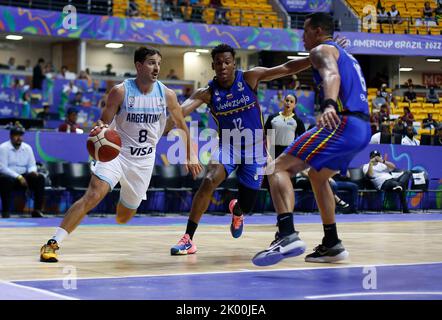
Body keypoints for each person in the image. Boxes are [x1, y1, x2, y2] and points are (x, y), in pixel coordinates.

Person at [40, 46, 202, 263]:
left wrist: (190, 154)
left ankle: (123, 194)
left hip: (144, 161)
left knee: (124, 216)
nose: (157, 68)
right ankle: (52, 243)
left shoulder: (167, 95)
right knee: (93, 195)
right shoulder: (120, 92)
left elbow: (181, 124)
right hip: (117, 154)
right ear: (138, 66)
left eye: (159, 64)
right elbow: (103, 123)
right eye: (152, 63)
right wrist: (99, 128)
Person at [166, 43, 314, 256]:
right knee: (209, 180)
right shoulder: (207, 93)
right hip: (227, 145)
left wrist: (314, 57)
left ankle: (237, 211)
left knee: (247, 204)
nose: (223, 66)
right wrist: (157, 129)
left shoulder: (250, 78)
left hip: (255, 150)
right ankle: (188, 238)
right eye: (218, 63)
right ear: (213, 66)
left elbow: (287, 68)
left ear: (234, 63)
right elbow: (178, 114)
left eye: (227, 62)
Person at [252, 12, 371, 266]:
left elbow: (332, 75)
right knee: (317, 176)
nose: (302, 36)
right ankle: (332, 243)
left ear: (318, 31)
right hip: (362, 128)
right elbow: (295, 67)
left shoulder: (322, 50)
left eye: (305, 31)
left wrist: (328, 105)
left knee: (277, 167)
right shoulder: (339, 51)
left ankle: (286, 234)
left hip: (342, 122)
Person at [0, 123, 45, 218]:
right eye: (16, 135)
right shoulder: (3, 148)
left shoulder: (27, 148)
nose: (19, 138)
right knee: (4, 180)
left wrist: (32, 171)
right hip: (10, 177)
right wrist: (18, 177)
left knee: (40, 178)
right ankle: (6, 212)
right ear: (11, 136)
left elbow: (32, 165)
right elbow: (2, 168)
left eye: (20, 135)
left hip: (25, 176)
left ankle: (37, 210)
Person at [264, 94, 306, 158]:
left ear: (295, 105)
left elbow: (303, 139)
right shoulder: (272, 117)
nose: (288, 103)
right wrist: (268, 153)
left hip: (289, 152)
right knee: (272, 168)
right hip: (273, 151)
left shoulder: (298, 121)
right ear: (283, 102)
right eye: (287, 100)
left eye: (291, 102)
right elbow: (267, 136)